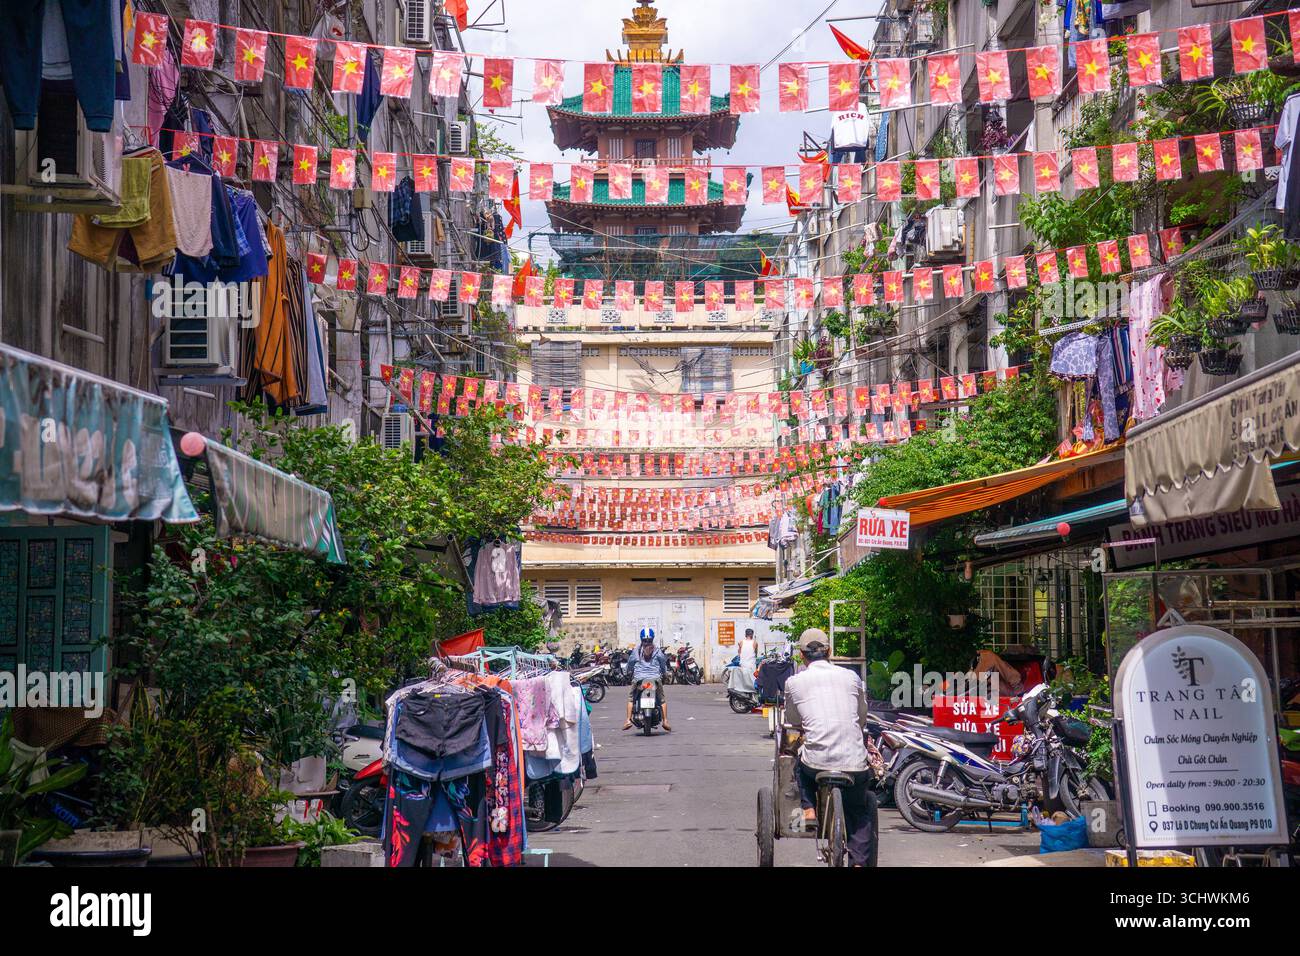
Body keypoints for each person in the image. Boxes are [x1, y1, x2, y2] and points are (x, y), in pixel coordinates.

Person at [782, 628, 878, 867]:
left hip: (817, 763)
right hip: (854, 763)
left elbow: (793, 720)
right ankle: (858, 863)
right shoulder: (851, 677)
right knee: (859, 809)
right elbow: (862, 716)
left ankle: (809, 810)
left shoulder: (794, 682)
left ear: (802, 656)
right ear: (830, 652)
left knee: (800, 769)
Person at [623, 629, 671, 731]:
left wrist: (627, 672)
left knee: (631, 699)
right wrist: (665, 675)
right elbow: (663, 665)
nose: (647, 642)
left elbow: (630, 665)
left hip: (639, 680)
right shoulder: (658, 651)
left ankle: (627, 720)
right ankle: (665, 721)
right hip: (655, 679)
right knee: (662, 700)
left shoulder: (636, 651)